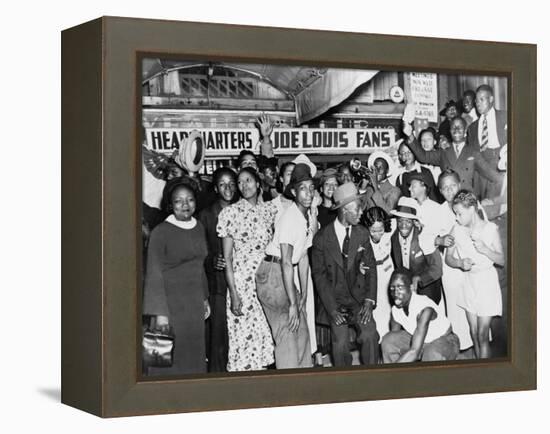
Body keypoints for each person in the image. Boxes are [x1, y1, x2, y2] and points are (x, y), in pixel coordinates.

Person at [143, 181, 210, 375]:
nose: (185, 205)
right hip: (167, 308)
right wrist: (159, 316)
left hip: (193, 307)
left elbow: (200, 266)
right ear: (170, 204)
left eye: (189, 200)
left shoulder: (198, 227)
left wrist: (205, 298)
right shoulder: (160, 232)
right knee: (162, 362)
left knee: (193, 358)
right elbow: (153, 276)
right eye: (178, 201)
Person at [256, 163, 319, 369]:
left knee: (301, 330)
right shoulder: (290, 217)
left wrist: (303, 298)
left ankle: (304, 382)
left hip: (285, 274)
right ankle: (289, 389)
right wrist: (293, 303)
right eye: (303, 189)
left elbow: (303, 258)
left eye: (311, 188)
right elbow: (285, 261)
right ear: (293, 192)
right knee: (286, 332)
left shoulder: (307, 216)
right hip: (274, 274)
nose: (309, 193)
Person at [312, 183, 379, 366]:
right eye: (357, 209)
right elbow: (320, 277)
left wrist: (369, 301)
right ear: (343, 210)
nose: (361, 213)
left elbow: (371, 269)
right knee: (340, 344)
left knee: (370, 335)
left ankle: (374, 378)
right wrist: (332, 310)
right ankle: (345, 382)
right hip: (336, 302)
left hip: (358, 301)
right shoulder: (321, 239)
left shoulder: (362, 234)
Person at [216, 167, 276, 371]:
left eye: (248, 180)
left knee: (265, 339)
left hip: (266, 283)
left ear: (258, 183)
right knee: (243, 343)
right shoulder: (230, 213)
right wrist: (233, 292)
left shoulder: (269, 210)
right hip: (242, 285)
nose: (244, 185)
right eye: (240, 182)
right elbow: (228, 257)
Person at [445, 190, 504, 359]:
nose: (457, 217)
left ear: (471, 209)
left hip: (486, 284)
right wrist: (459, 263)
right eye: (455, 213)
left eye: (459, 213)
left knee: (482, 335)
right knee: (473, 332)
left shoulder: (490, 229)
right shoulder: (456, 229)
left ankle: (487, 377)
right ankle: (480, 369)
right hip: (468, 283)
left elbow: (502, 260)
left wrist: (485, 249)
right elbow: (448, 258)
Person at [198, 167, 238, 372]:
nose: (227, 188)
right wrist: (212, 261)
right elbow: (198, 252)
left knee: (239, 336)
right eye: (222, 184)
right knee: (219, 337)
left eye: (231, 183)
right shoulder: (206, 216)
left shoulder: (243, 210)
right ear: (215, 188)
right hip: (218, 285)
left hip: (242, 285)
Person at [404, 116, 502, 196]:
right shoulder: (443, 152)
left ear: (465, 130)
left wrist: (491, 198)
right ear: (450, 131)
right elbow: (423, 156)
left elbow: (492, 175)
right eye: (453, 127)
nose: (456, 130)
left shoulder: (473, 152)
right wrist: (410, 136)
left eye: (460, 127)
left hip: (467, 200)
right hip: (448, 199)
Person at [381, 269, 459, 363]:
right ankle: (399, 376)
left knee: (431, 354)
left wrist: (389, 374)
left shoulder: (424, 308)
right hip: (420, 341)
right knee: (388, 341)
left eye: (400, 287)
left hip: (445, 340)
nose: (395, 293)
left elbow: (414, 352)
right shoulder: (396, 311)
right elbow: (394, 338)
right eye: (392, 288)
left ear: (411, 287)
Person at [436, 170, 473, 352]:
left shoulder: (471, 205)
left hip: (472, 265)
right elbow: (428, 238)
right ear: (440, 191)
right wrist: (440, 239)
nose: (449, 190)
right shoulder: (438, 211)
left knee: (473, 305)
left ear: (459, 185)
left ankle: (477, 343)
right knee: (455, 306)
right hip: (450, 267)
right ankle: (460, 346)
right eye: (445, 188)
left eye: (452, 186)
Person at [390, 197, 443, 304]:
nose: (403, 225)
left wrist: (419, 279)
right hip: (408, 293)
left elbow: (437, 269)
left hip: (428, 291)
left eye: (408, 221)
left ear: (414, 222)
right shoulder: (394, 238)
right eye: (400, 221)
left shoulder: (424, 237)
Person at [468, 84, 507, 200]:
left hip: (501, 164)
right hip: (482, 169)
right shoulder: (472, 128)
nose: (478, 103)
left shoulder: (505, 116)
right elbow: (474, 154)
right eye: (476, 101)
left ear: (491, 99)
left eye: (482, 99)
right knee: (485, 207)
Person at [362, 206, 394, 341]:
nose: (377, 234)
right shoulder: (363, 241)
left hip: (389, 276)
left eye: (380, 230)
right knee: (379, 315)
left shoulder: (389, 233)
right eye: (373, 230)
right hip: (375, 280)